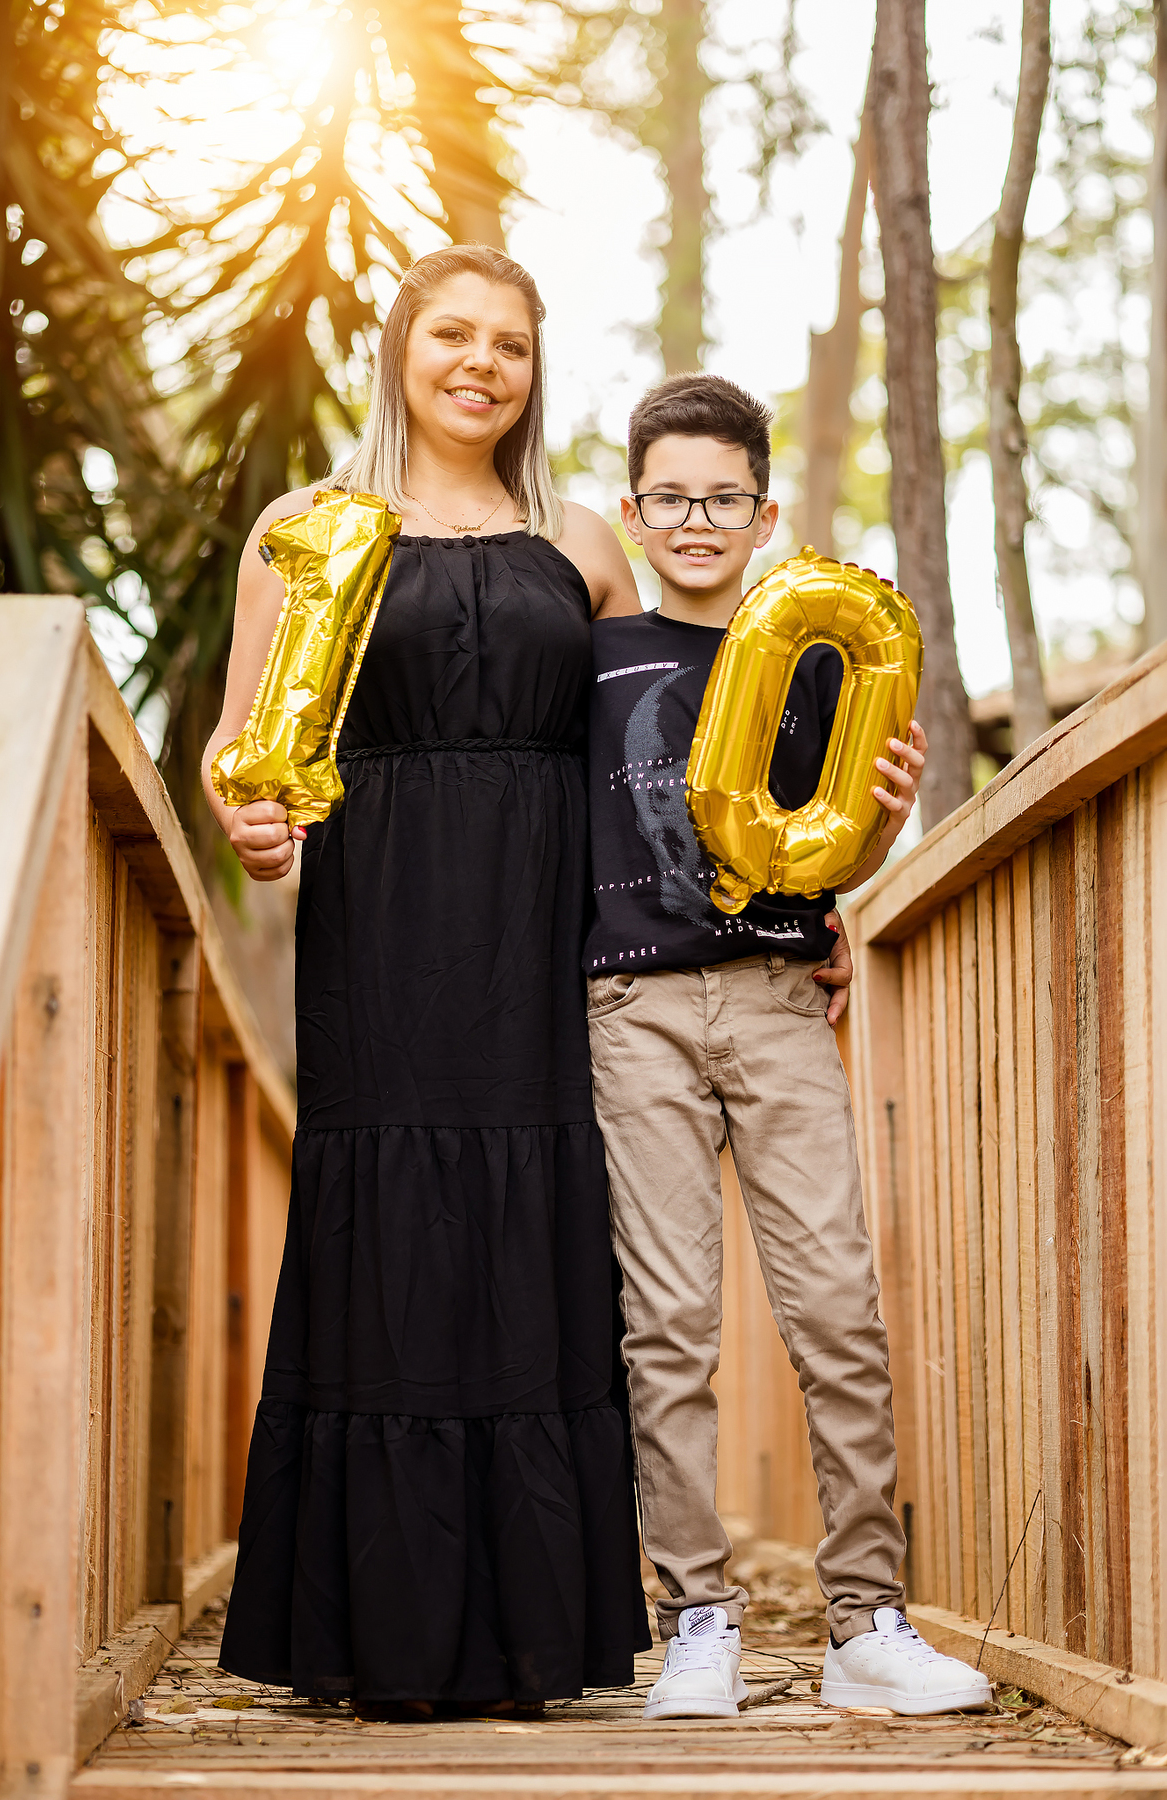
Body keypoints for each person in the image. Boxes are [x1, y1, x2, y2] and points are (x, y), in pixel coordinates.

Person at [202, 243, 651, 1716]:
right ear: (400, 351)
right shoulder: (311, 527)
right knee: (387, 1227)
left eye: (509, 344)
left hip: (542, 946)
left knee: (537, 1224)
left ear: (535, 368)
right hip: (383, 934)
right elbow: (236, 751)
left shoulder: (584, 543)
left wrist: (791, 913)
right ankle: (370, 1632)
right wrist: (253, 824)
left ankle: (537, 1635)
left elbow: (646, 769)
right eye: (451, 335)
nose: (481, 363)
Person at [585, 373, 992, 1720]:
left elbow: (842, 859)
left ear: (763, 515)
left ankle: (867, 1620)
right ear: (634, 507)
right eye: (669, 498)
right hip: (628, 1011)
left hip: (774, 997)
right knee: (669, 1328)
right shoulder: (593, 660)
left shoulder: (812, 655)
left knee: (837, 1313)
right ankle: (695, 1615)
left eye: (722, 499)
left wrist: (882, 824)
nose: (695, 520)